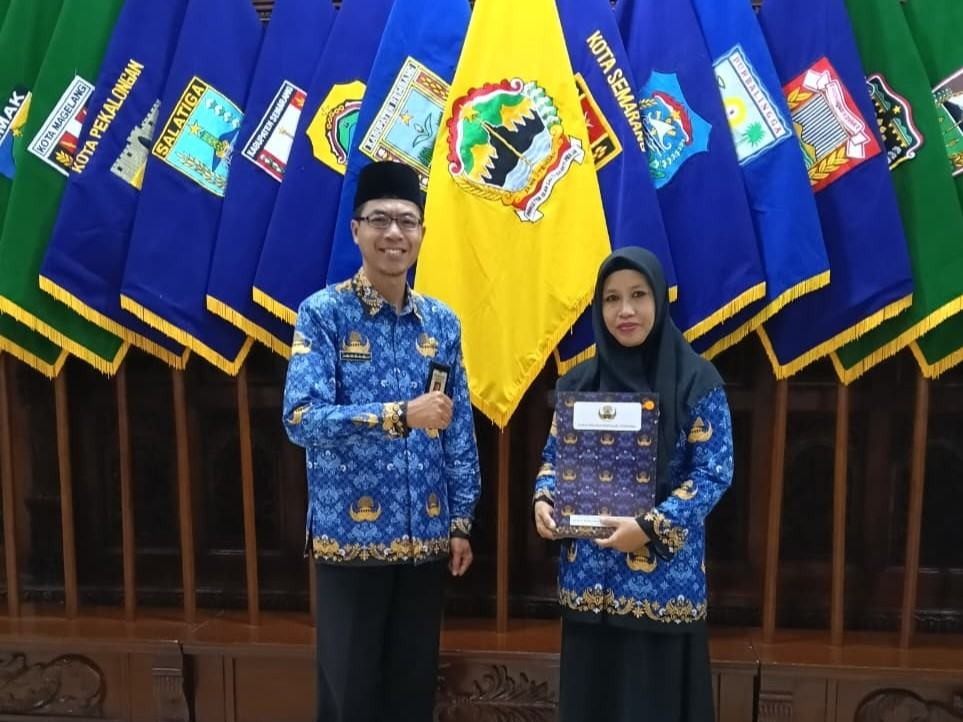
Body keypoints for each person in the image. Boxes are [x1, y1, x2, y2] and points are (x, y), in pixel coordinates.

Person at [282, 161, 482, 722]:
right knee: (351, 698)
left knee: (412, 695)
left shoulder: (441, 323)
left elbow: (457, 429)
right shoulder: (323, 314)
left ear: (422, 232)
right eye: (379, 220)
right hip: (351, 543)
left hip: (425, 542)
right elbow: (301, 418)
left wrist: (461, 521)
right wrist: (397, 416)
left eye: (406, 221)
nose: (394, 233)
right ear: (356, 230)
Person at [532, 246, 733, 721]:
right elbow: (552, 459)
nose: (625, 310)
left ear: (659, 300)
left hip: (661, 589)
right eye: (612, 298)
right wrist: (543, 498)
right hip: (589, 584)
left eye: (638, 295)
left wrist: (649, 526)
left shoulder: (697, 381)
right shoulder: (578, 384)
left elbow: (713, 473)